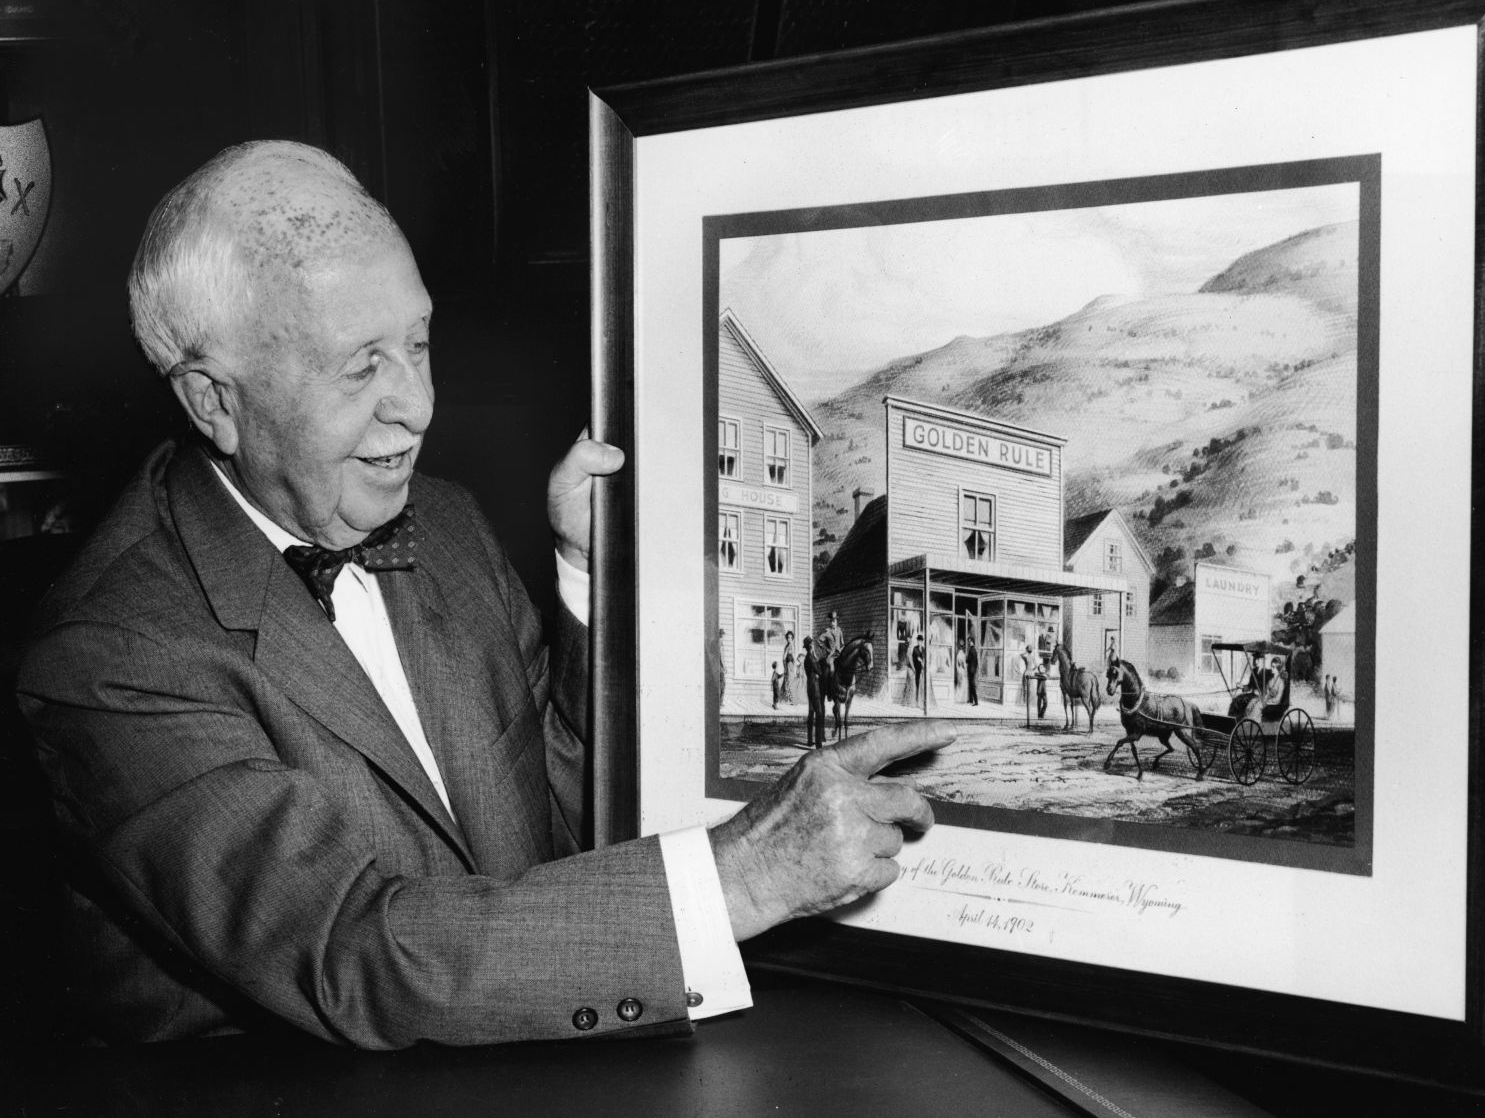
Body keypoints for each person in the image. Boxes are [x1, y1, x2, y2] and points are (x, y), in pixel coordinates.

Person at [16, 141, 953, 1049]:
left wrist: (595, 582)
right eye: (361, 366)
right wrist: (745, 878)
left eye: (419, 343)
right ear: (214, 400)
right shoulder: (106, 653)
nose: (417, 404)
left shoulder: (449, 525)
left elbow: (565, 825)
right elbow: (358, 952)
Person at [965, 633, 979, 705]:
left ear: (973, 642)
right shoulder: (973, 650)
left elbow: (968, 660)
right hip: (972, 670)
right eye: (968, 641)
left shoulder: (972, 650)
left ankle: (976, 701)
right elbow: (976, 662)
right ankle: (971, 700)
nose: (969, 643)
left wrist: (972, 669)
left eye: (970, 641)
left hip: (971, 670)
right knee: (971, 685)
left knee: (972, 686)